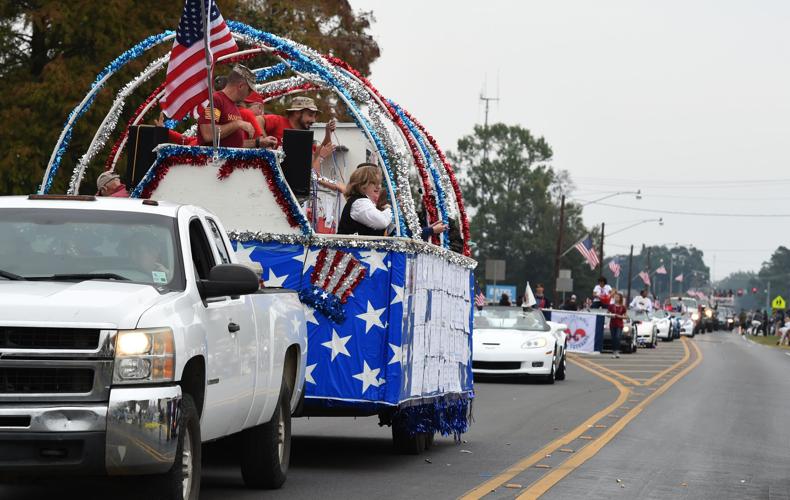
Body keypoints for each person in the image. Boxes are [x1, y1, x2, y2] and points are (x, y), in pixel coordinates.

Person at [198, 64, 267, 148]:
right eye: (249, 90)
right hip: (214, 160)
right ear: (241, 86)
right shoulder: (217, 100)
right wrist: (237, 124)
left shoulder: (233, 105)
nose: (249, 94)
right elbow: (208, 133)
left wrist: (258, 142)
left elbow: (234, 145)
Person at [337, 165, 392, 236]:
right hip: (353, 247)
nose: (378, 186)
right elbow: (382, 222)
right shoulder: (359, 203)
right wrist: (390, 210)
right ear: (362, 185)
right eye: (374, 183)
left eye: (379, 183)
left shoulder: (361, 201)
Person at [263, 96, 335, 149]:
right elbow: (258, 120)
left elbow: (322, 151)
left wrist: (328, 133)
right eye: (310, 115)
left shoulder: (304, 136)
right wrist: (264, 140)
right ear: (297, 113)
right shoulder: (278, 121)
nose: (313, 120)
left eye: (314, 116)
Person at [608, 293, 627, 358]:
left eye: (617, 297)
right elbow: (607, 314)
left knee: (617, 337)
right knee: (613, 338)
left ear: (620, 299)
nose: (616, 298)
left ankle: (617, 351)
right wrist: (611, 315)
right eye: (615, 297)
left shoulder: (623, 307)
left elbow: (626, 316)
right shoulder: (611, 306)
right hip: (612, 324)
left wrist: (619, 316)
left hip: (619, 324)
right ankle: (613, 352)